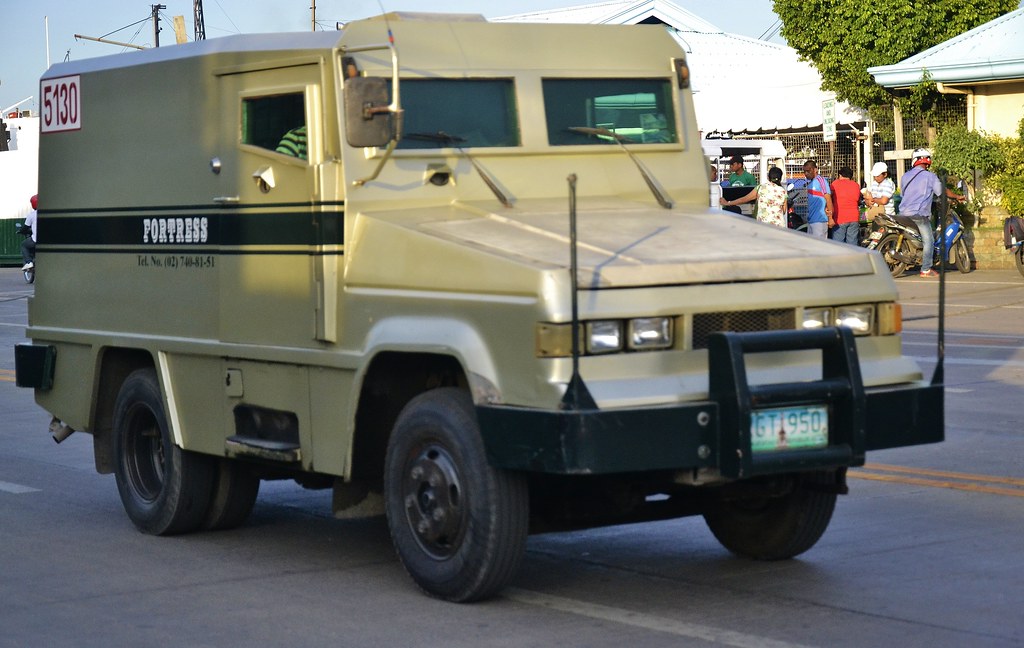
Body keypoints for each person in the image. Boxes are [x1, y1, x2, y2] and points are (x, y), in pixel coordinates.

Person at [899, 148, 964, 278]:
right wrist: (957, 196)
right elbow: (942, 191)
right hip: (919, 214)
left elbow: (902, 194)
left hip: (902, 213)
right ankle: (926, 269)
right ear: (928, 162)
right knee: (929, 241)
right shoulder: (930, 176)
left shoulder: (905, 176)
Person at [720, 166, 788, 228]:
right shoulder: (783, 192)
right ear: (780, 178)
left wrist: (727, 203)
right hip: (779, 226)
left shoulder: (760, 188)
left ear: (768, 177)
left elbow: (744, 199)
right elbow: (784, 211)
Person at [831, 166, 862, 245]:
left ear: (840, 175)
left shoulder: (835, 184)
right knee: (852, 244)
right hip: (854, 218)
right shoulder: (856, 185)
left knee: (838, 245)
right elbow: (858, 200)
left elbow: (829, 197)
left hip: (840, 218)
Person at [802, 159, 832, 238]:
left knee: (819, 247)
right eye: (804, 171)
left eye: (808, 171)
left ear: (815, 170)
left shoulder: (821, 180)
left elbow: (828, 199)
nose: (806, 174)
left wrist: (831, 218)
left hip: (820, 220)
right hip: (811, 220)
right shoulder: (810, 183)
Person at [21, 194, 37, 271]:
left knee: (24, 245)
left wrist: (20, 231)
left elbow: (25, 228)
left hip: (36, 240)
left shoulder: (32, 215)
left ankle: (29, 262)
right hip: (49, 240)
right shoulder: (48, 213)